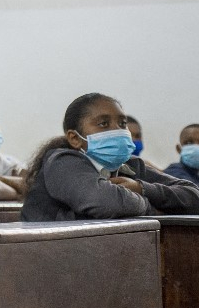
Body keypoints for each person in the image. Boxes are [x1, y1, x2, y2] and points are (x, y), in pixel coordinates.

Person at [21, 93, 199, 222]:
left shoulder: (130, 165)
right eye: (103, 124)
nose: (118, 130)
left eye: (122, 124)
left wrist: (141, 188)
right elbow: (106, 203)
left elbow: (194, 196)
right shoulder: (62, 161)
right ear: (75, 138)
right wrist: (155, 208)